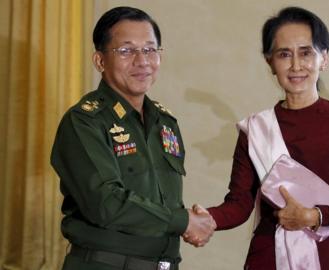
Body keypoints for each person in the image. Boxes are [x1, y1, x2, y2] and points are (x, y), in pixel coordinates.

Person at [184, 7, 329, 270]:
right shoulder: (256, 129)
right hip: (269, 256)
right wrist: (205, 218)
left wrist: (315, 216)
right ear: (270, 62)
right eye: (284, 54)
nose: (296, 65)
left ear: (323, 59)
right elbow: (240, 203)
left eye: (306, 53)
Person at [50, 6, 215, 270]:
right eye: (126, 51)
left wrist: (191, 220)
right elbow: (105, 203)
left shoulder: (165, 122)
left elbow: (161, 200)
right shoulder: (84, 121)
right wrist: (182, 221)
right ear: (100, 60)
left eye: (150, 49)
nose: (142, 61)